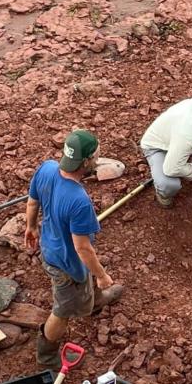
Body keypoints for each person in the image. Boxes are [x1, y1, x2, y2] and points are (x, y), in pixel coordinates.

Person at [25, 129, 123, 369]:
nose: (100, 157)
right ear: (87, 162)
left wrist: (31, 227)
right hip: (65, 263)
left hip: (50, 245)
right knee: (62, 310)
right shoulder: (79, 200)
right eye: (97, 155)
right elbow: (83, 249)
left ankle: (95, 302)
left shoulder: (47, 168)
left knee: (86, 275)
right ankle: (46, 354)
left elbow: (32, 200)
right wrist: (102, 276)